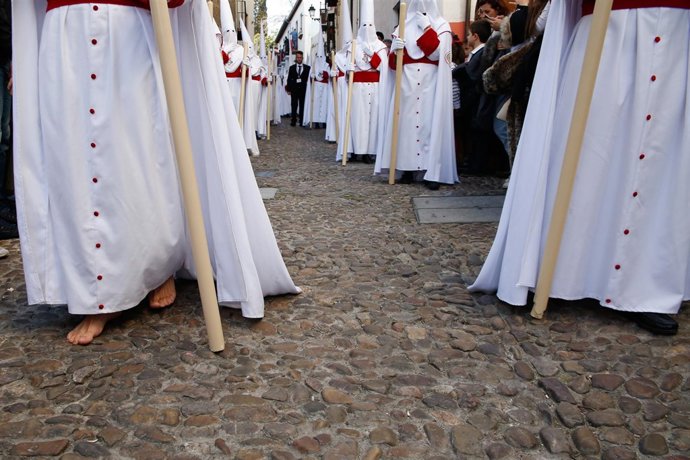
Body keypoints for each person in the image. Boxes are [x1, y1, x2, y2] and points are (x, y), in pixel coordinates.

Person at [14, 0, 300, 345]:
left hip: (128, 33)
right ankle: (97, 288)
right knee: (72, 160)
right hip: (65, 35)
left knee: (142, 158)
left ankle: (160, 264)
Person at [469, 0, 690, 335]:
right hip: (608, 33)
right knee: (590, 154)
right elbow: (542, 20)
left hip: (676, 34)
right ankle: (566, 271)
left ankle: (644, 282)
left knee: (663, 162)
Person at [375, 0, 457, 189]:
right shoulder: (402, 27)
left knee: (429, 124)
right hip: (407, 85)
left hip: (431, 84)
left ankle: (431, 171)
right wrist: (395, 50)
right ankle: (407, 168)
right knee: (407, 127)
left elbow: (438, 55)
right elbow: (393, 66)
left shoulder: (441, 26)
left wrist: (427, 29)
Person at [335, 0, 389, 164]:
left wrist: (371, 54)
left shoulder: (379, 46)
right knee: (357, 120)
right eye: (364, 25)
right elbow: (342, 61)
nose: (367, 29)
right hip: (357, 88)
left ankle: (369, 152)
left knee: (372, 120)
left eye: (370, 25)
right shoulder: (354, 45)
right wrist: (348, 69)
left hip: (374, 88)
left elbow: (383, 67)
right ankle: (355, 150)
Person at [219, 0, 260, 155]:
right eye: (226, 31)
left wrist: (245, 66)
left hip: (237, 85)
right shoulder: (219, 48)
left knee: (237, 112)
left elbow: (248, 72)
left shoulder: (240, 50)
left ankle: (240, 142)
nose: (229, 34)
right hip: (223, 85)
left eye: (231, 31)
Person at [286, 51, 310, 126]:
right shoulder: (292, 68)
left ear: (302, 58)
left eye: (300, 57)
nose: (299, 59)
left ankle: (302, 120)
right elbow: (289, 79)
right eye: (298, 57)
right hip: (294, 89)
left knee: (302, 105)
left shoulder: (307, 68)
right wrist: (289, 89)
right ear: (296, 58)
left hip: (303, 90)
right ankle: (293, 120)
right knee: (294, 105)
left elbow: (308, 80)